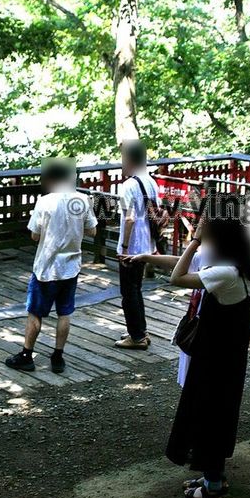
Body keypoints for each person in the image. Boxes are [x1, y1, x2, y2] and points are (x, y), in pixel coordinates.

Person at [163, 211, 250, 498]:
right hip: (227, 358)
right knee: (219, 415)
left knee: (209, 417)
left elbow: (176, 277)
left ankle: (213, 488)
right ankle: (211, 477)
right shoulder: (244, 267)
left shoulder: (225, 272)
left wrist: (193, 241)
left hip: (215, 359)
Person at [6, 160, 97, 374]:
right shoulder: (83, 200)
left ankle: (27, 355)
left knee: (35, 313)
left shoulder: (44, 202)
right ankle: (58, 357)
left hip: (46, 268)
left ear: (52, 178)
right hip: (71, 267)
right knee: (64, 313)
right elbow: (92, 231)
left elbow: (35, 235)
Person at [122, 229, 211, 387]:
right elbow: (181, 261)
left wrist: (195, 241)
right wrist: (145, 257)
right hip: (194, 323)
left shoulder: (225, 267)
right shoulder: (209, 254)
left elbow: (176, 278)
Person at [115, 140, 161, 350]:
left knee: (129, 292)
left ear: (130, 159)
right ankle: (140, 330)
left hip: (132, 247)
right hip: (146, 245)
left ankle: (136, 337)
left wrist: (124, 248)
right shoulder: (151, 181)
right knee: (137, 289)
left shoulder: (128, 185)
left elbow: (130, 218)